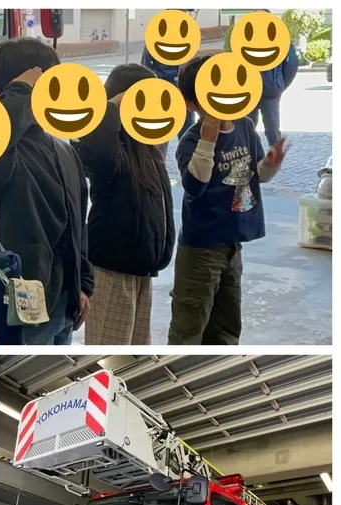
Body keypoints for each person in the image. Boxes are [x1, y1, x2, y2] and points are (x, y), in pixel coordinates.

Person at [168, 56, 286, 345]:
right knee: (189, 327)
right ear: (192, 104)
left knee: (227, 325)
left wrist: (270, 164)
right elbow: (195, 185)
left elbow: (256, 174)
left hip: (234, 244)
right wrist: (208, 140)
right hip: (201, 249)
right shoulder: (191, 141)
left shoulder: (245, 127)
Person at [0, 37, 94, 345]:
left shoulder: (63, 149)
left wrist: (83, 285)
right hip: (21, 306)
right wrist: (20, 93)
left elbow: (78, 225)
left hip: (65, 302)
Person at [77, 63, 175, 344]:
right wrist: (111, 106)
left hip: (142, 269)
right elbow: (99, 150)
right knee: (107, 349)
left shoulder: (147, 146)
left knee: (134, 352)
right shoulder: (109, 146)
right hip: (112, 269)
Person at [224, 12, 299, 148]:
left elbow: (291, 65)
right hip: (251, 90)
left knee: (269, 130)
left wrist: (279, 85)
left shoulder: (279, 38)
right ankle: (248, 158)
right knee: (250, 128)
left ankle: (272, 159)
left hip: (268, 91)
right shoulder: (241, 36)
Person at [141, 45, 195, 154]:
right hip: (163, 90)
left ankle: (188, 161)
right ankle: (159, 166)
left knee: (188, 131)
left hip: (184, 89)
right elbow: (145, 68)